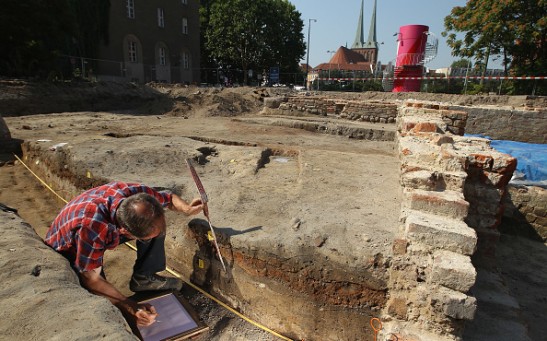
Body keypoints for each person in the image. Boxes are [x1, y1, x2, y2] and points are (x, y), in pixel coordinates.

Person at [45, 181, 203, 327]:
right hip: (66, 249)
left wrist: (187, 209)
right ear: (124, 232)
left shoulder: (137, 196)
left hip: (100, 226)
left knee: (156, 229)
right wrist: (130, 306)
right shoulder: (92, 228)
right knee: (103, 303)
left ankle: (144, 279)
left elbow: (169, 197)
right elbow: (91, 279)